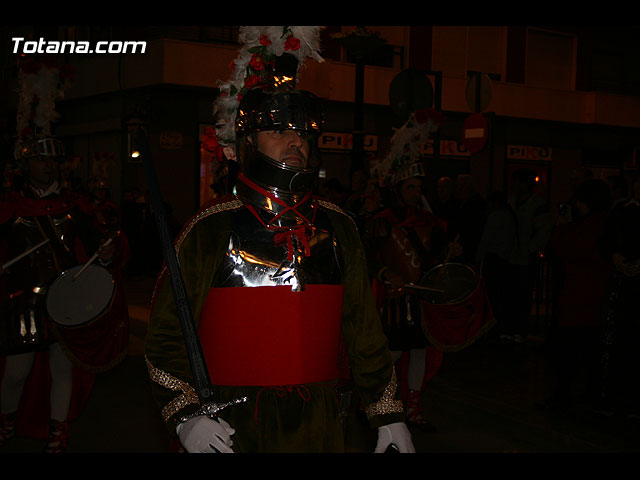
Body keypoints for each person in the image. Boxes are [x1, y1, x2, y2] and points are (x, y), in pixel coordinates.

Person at [144, 27, 413, 454]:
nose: (296, 142)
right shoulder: (209, 228)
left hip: (320, 423)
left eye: (303, 134)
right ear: (246, 143)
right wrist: (185, 416)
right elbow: (165, 338)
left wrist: (389, 415)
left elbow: (364, 332)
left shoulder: (339, 227)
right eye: (279, 132)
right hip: (233, 428)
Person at [0, 137, 129, 452]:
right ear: (26, 164)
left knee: (63, 368)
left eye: (54, 160)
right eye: (42, 160)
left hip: (67, 300)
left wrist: (109, 249)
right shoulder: (10, 205)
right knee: (17, 371)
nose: (49, 166)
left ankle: (59, 431)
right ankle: (6, 421)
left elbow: (100, 244)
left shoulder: (74, 206)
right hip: (24, 303)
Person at [363, 164, 451, 432]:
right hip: (394, 300)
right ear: (398, 190)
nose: (416, 192)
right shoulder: (381, 221)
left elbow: (433, 260)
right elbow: (366, 259)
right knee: (393, 351)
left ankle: (413, 407)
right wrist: (386, 271)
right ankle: (375, 401)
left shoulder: (429, 221)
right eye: (410, 187)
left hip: (420, 298)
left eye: (418, 188)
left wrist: (449, 255)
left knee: (420, 351)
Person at [543, 179, 612, 412]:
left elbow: (568, 249)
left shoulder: (592, 225)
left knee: (570, 351)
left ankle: (568, 396)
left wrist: (562, 227)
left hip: (581, 297)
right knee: (588, 350)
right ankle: (589, 396)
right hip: (588, 297)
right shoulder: (600, 223)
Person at [505, 168, 554, 343]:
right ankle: (510, 327)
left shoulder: (537, 204)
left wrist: (530, 248)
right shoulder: (511, 201)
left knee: (523, 293)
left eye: (517, 182)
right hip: (511, 255)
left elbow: (544, 231)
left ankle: (520, 329)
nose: (513, 185)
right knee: (511, 293)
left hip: (525, 257)